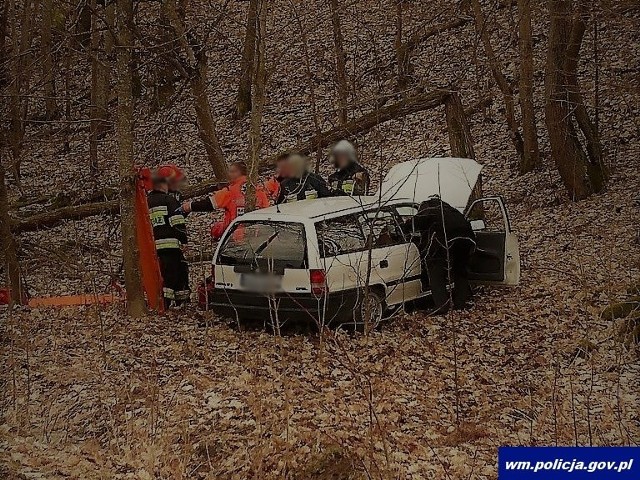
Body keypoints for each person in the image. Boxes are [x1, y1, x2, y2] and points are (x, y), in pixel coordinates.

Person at [408, 196, 476, 314]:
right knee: (460, 271)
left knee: (435, 271)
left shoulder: (428, 208)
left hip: (445, 240)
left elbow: (416, 222)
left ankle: (441, 306)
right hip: (467, 239)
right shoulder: (450, 210)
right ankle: (460, 304)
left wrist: (403, 226)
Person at [181, 161, 269, 239]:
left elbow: (210, 204)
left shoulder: (230, 191)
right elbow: (267, 212)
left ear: (238, 172)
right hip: (258, 238)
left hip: (235, 238)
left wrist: (189, 206)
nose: (229, 175)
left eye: (231, 172)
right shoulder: (258, 189)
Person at [148, 170, 190, 309]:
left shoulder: (146, 202)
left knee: (165, 272)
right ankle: (169, 302)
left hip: (153, 246)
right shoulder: (169, 200)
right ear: (162, 185)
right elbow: (177, 222)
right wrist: (184, 241)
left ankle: (172, 300)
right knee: (176, 271)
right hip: (170, 244)